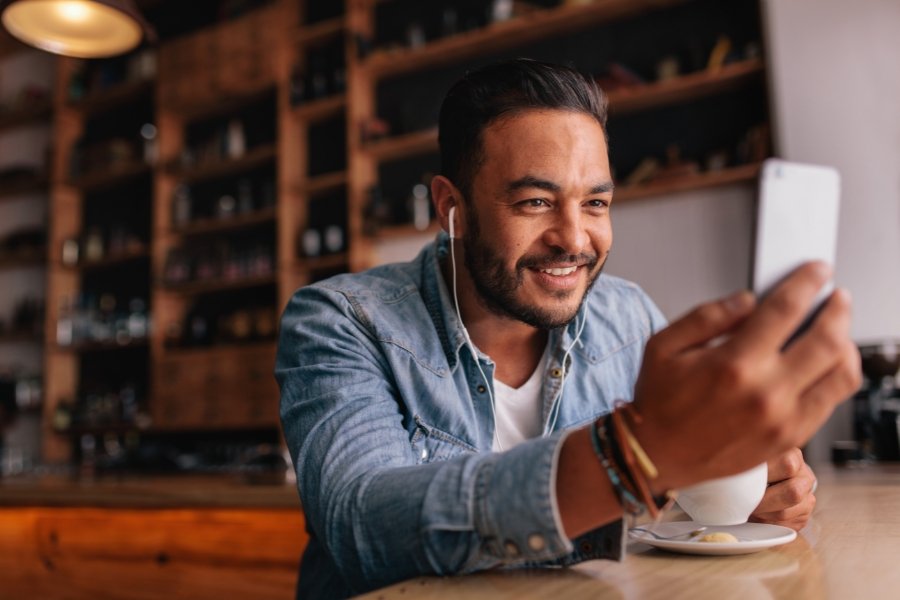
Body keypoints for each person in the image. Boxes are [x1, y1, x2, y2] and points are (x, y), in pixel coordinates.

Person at [276, 58, 860, 599]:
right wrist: (628, 457)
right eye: (536, 202)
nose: (575, 239)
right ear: (452, 207)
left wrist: (745, 494)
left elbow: (682, 500)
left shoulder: (628, 318)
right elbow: (360, 528)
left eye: (596, 204)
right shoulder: (341, 321)